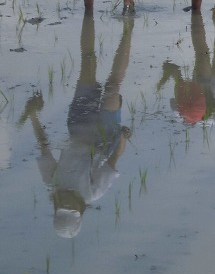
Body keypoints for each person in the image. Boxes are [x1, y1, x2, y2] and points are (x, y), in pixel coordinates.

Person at [17, 13, 133, 238]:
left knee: (87, 62)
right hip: (104, 134)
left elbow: (44, 146)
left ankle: (91, 18)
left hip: (78, 124)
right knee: (113, 85)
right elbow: (112, 161)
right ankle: (128, 31)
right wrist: (124, 137)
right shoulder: (92, 193)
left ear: (56, 207)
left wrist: (33, 115)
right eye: (72, 208)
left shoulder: (52, 181)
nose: (68, 203)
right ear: (80, 210)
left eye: (64, 207)